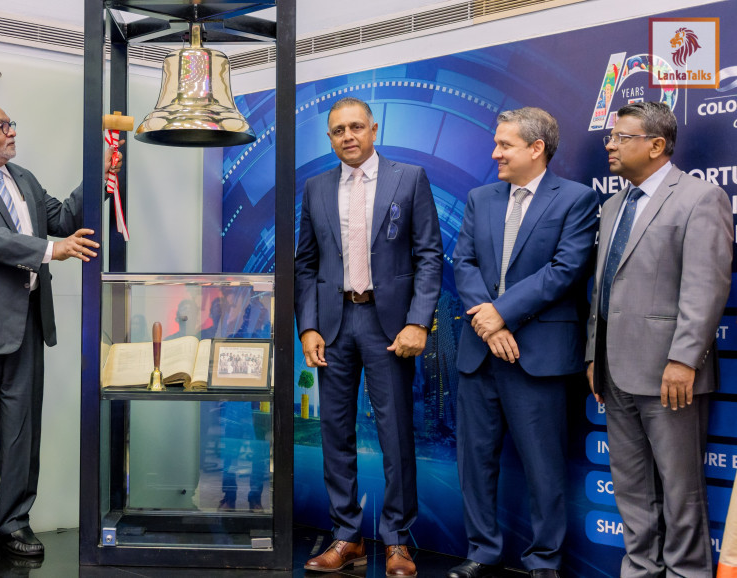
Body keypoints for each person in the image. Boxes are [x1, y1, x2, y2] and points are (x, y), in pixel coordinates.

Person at [0, 100, 108, 563]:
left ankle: (13, 523)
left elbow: (66, 219)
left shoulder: (22, 178)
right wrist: (52, 251)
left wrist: (101, 171)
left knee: (20, 435)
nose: (12, 133)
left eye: (12, 125)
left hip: (26, 325)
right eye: (2, 126)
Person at [294, 96, 442, 576]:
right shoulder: (315, 188)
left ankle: (398, 540)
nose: (348, 136)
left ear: (374, 129)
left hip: (388, 326)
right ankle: (346, 536)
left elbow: (428, 256)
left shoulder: (409, 179)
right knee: (335, 433)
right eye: (338, 130)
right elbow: (306, 264)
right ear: (330, 138)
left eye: (356, 127)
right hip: (335, 326)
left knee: (395, 433)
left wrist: (419, 321)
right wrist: (309, 326)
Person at [449, 107, 598, 578]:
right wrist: (490, 324)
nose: (495, 153)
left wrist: (502, 313)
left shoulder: (576, 200)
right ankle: (481, 552)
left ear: (537, 149)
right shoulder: (480, 197)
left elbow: (565, 271)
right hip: (480, 354)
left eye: (505, 145)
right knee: (475, 462)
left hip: (539, 356)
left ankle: (544, 562)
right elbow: (464, 263)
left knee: (544, 466)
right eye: (496, 143)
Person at [586, 101, 731, 578]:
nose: (609, 144)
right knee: (631, 489)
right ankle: (640, 570)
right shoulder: (612, 206)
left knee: (680, 489)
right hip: (614, 372)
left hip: (671, 376)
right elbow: (604, 287)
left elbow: (705, 286)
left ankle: (687, 572)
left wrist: (684, 359)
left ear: (655, 145)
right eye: (610, 136)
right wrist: (593, 353)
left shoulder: (699, 198)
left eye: (620, 137)